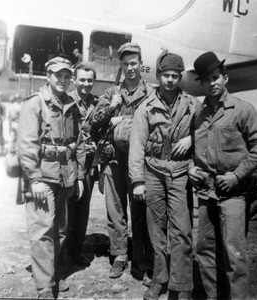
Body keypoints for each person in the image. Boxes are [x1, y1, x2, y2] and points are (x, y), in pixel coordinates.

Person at [188, 51, 257, 299]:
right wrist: (192, 168)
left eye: (216, 77)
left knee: (234, 256)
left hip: (234, 194)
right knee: (205, 251)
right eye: (206, 79)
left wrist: (237, 175)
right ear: (202, 84)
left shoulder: (243, 110)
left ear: (225, 78)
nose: (212, 82)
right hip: (206, 193)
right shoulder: (199, 115)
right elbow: (196, 150)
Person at [129, 50, 201, 300]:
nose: (170, 80)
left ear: (180, 77)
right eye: (166, 75)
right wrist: (137, 180)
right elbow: (136, 145)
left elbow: (205, 128)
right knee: (156, 229)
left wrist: (191, 138)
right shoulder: (146, 107)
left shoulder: (192, 104)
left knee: (182, 230)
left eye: (175, 76)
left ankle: (182, 285)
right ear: (158, 76)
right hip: (154, 172)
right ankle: (160, 279)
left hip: (180, 172)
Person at [17, 56, 86, 299]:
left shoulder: (72, 104)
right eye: (59, 75)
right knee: (42, 230)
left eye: (67, 76)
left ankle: (51, 272)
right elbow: (26, 144)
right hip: (42, 177)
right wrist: (33, 179)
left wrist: (79, 175)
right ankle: (44, 287)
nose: (64, 80)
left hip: (65, 177)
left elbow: (78, 142)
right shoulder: (35, 103)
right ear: (48, 76)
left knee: (61, 230)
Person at [92, 42, 153, 282]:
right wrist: (112, 112)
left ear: (140, 63)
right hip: (113, 160)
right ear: (122, 65)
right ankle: (119, 255)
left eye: (134, 63)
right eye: (126, 64)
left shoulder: (150, 93)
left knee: (140, 211)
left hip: (139, 162)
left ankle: (140, 258)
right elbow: (94, 122)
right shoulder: (111, 93)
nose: (130, 68)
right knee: (115, 211)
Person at [66, 62, 99, 265]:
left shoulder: (96, 103)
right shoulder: (67, 100)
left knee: (83, 210)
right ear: (74, 80)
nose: (86, 84)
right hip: (69, 163)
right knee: (67, 210)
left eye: (90, 80)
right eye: (82, 80)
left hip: (87, 165)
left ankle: (75, 251)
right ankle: (61, 255)